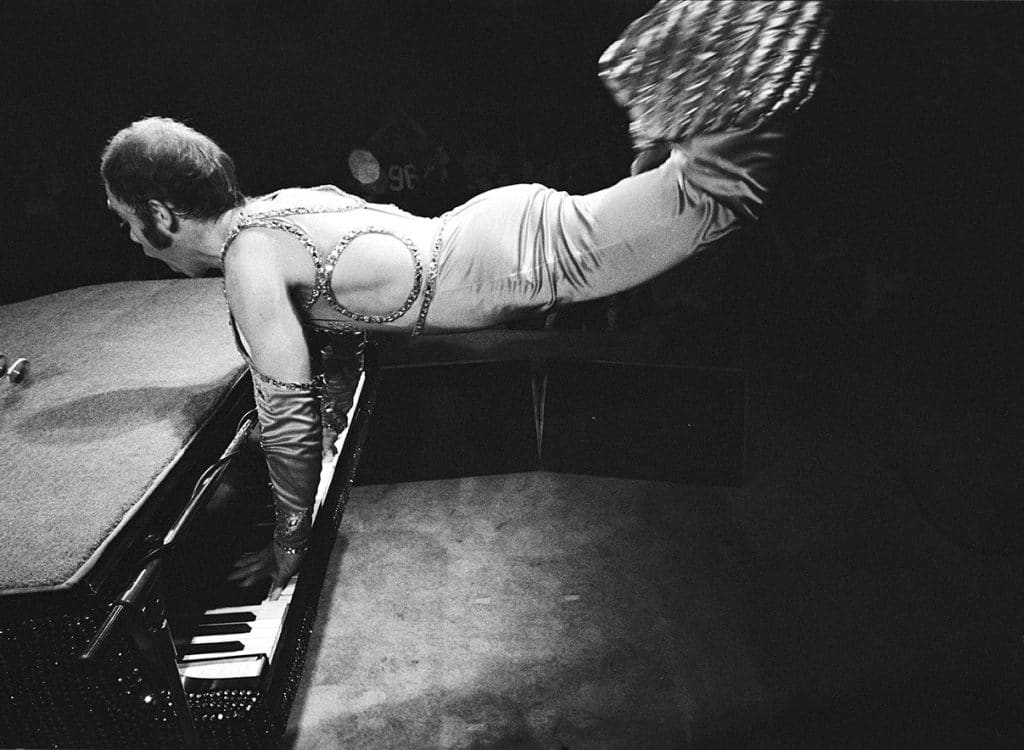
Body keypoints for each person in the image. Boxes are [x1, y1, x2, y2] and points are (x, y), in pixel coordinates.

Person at [101, 1, 830, 599]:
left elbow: (286, 411)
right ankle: (680, 98)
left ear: (162, 212)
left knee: (720, 195)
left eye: (128, 222)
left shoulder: (248, 258)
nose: (134, 242)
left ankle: (736, 30)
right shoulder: (278, 207)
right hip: (494, 234)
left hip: (510, 259)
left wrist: (290, 544)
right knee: (691, 182)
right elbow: (334, 353)